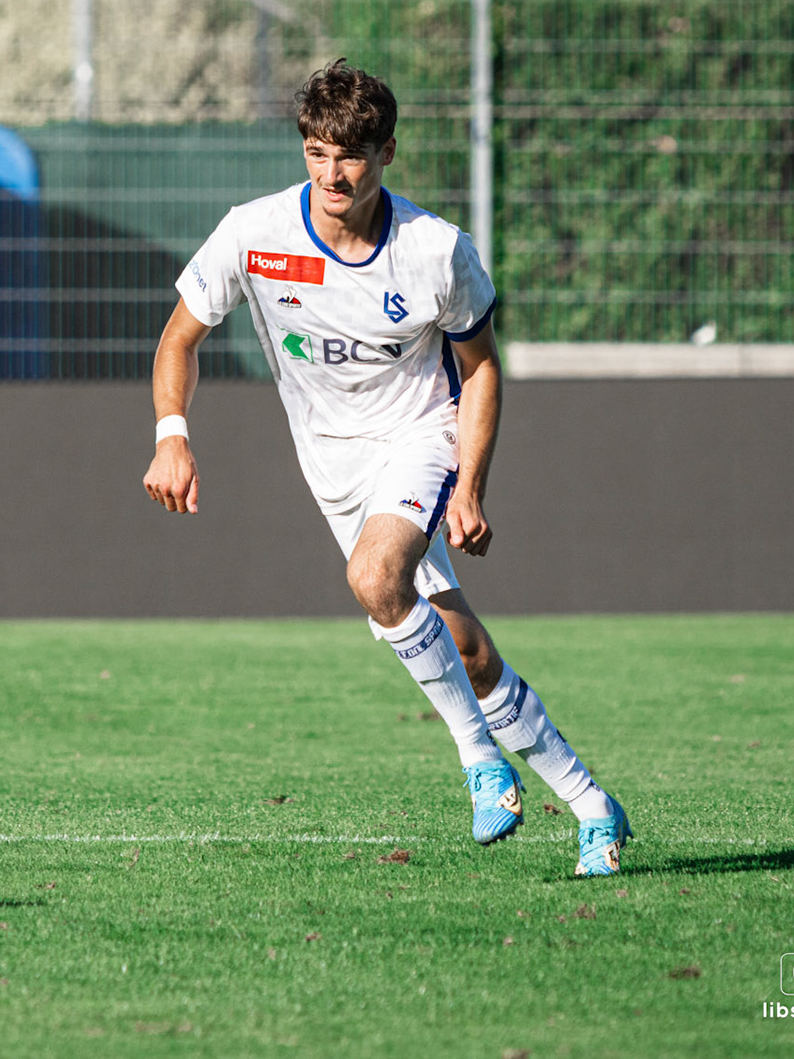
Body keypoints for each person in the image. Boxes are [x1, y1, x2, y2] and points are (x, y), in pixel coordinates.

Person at [141, 61, 630, 876]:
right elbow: (178, 340)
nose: (333, 174)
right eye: (316, 152)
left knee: (374, 579)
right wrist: (171, 432)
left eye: (352, 156)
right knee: (466, 651)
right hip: (331, 467)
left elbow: (480, 369)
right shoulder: (253, 234)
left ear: (387, 153)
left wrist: (470, 484)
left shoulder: (436, 252)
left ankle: (478, 759)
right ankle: (592, 806)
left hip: (419, 437)